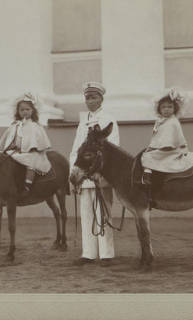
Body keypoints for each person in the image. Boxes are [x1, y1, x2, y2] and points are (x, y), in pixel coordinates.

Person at [70, 82, 120, 268]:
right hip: (83, 176)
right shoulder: (83, 122)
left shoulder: (109, 120)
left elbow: (112, 149)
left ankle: (107, 254)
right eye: (87, 98)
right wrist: (74, 173)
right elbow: (76, 149)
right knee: (86, 214)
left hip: (100, 176)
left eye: (94, 97)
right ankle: (88, 253)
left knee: (103, 213)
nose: (90, 101)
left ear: (101, 99)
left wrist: (100, 171)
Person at [141, 88, 193, 208]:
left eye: (170, 107)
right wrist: (153, 147)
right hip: (163, 149)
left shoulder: (172, 122)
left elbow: (169, 142)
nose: (167, 109)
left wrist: (155, 149)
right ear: (159, 109)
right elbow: (158, 138)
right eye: (164, 107)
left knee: (149, 157)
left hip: (172, 150)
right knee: (146, 154)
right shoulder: (161, 121)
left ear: (174, 109)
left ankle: (149, 180)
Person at [0, 92, 52, 196]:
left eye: (27, 109)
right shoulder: (15, 125)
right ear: (17, 111)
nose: (25, 112)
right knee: (3, 161)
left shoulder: (35, 125)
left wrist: (31, 148)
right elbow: (10, 139)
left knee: (30, 163)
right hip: (17, 152)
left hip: (32, 153)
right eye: (22, 110)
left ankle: (27, 186)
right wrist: (11, 146)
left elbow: (37, 141)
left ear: (32, 110)